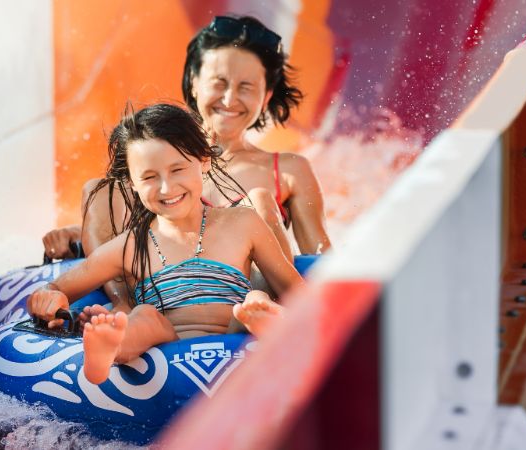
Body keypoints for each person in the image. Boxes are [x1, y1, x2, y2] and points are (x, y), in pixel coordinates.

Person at [43, 16, 331, 307]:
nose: (230, 99)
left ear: (266, 95)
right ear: (194, 83)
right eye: (219, 83)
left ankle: (264, 311)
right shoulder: (161, 160)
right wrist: (79, 236)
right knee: (101, 188)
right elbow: (149, 228)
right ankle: (123, 305)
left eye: (246, 87)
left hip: (248, 295)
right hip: (160, 295)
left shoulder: (289, 170)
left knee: (258, 200)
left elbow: (319, 255)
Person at [28, 104, 302, 385]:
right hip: (168, 346)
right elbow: (59, 287)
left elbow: (297, 292)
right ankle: (111, 348)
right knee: (145, 316)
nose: (165, 188)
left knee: (256, 301)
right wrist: (50, 297)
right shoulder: (130, 246)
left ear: (204, 159)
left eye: (177, 169)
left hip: (236, 333)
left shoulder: (243, 223)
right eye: (149, 177)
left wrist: (275, 308)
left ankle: (268, 325)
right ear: (131, 183)